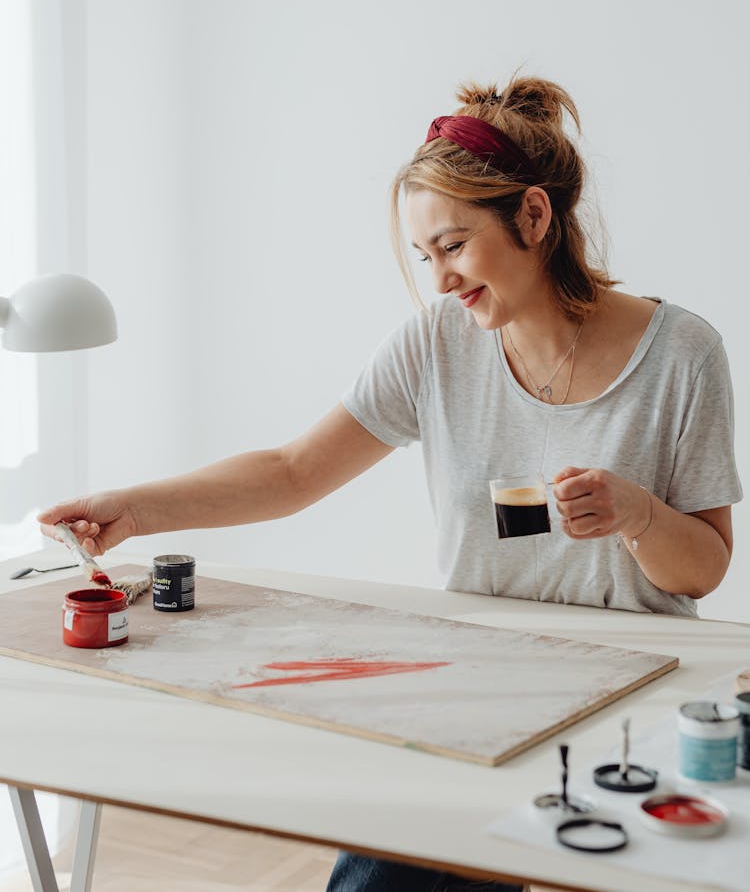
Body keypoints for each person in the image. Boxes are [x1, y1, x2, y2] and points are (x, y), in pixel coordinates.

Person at [39, 74, 742, 892]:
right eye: (425, 255)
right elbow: (294, 470)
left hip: (642, 690)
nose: (440, 278)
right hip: (490, 679)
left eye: (454, 245)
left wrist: (638, 513)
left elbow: (703, 568)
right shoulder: (437, 344)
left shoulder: (684, 353)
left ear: (535, 216)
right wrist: (134, 509)